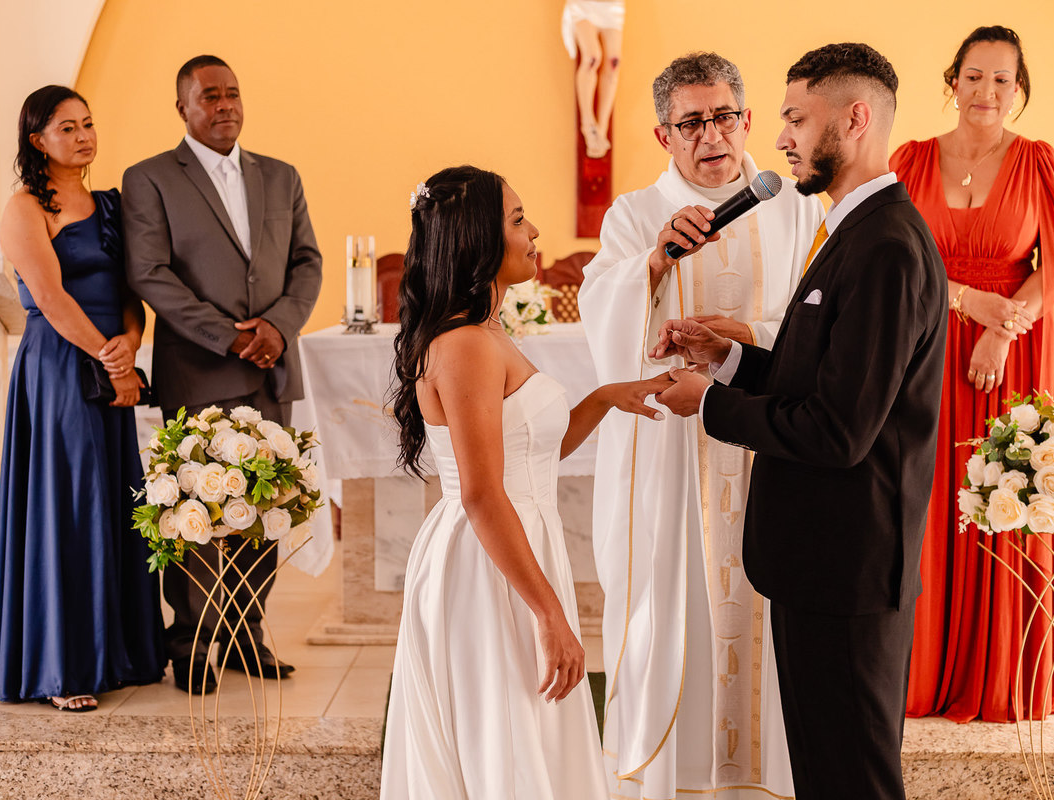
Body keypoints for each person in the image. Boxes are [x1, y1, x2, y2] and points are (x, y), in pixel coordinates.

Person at [651, 43, 947, 799]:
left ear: (853, 119)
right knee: (827, 775)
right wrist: (727, 360)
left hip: (846, 566)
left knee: (853, 780)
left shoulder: (884, 245)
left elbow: (838, 431)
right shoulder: (851, 230)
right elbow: (819, 382)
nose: (779, 138)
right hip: (821, 561)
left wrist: (709, 405)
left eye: (794, 119)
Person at [380, 165, 670, 799]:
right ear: (476, 239)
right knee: (505, 739)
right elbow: (483, 492)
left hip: (515, 543)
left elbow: (530, 456)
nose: (535, 232)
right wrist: (550, 614)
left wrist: (604, 399)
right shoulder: (465, 346)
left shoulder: (486, 332)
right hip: (487, 563)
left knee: (530, 737)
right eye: (517, 220)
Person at [577, 51, 823, 799]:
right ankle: (671, 776)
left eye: (724, 117)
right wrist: (652, 263)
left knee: (770, 600)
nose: (711, 136)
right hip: (670, 458)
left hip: (765, 442)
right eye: (691, 123)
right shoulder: (632, 215)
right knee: (672, 598)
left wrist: (742, 332)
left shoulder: (798, 207)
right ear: (664, 136)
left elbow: (821, 330)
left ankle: (770, 774)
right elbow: (602, 321)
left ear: (747, 121)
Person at [892, 26, 1054, 723]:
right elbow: (894, 262)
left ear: (1018, 89)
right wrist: (966, 303)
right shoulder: (908, 162)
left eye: (1002, 79)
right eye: (974, 76)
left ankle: (1003, 676)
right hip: (923, 350)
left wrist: (1000, 330)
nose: (987, 91)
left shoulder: (1039, 163)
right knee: (928, 501)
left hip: (1015, 360)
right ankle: (923, 673)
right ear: (952, 81)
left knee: (1003, 502)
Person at [122, 55, 323, 693]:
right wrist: (229, 336)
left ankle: (245, 635)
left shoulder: (281, 176)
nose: (225, 104)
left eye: (233, 93)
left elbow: (308, 262)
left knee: (264, 509)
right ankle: (190, 644)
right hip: (199, 368)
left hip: (270, 367)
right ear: (182, 106)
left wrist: (277, 329)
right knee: (196, 513)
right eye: (209, 95)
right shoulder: (149, 178)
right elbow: (149, 273)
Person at [0, 85, 166, 712]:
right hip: (59, 368)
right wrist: (110, 356)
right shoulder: (25, 207)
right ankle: (64, 667)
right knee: (69, 503)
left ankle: (125, 653)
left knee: (115, 497)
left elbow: (131, 292)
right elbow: (51, 299)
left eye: (88, 124)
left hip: (114, 359)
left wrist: (130, 344)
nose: (84, 136)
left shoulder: (113, 205)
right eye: (67, 128)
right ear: (38, 140)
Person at [562, 0, 625, 157]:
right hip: (584, 5)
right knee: (592, 57)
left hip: (612, 6)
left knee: (613, 62)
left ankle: (601, 129)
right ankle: (588, 124)